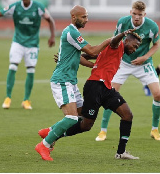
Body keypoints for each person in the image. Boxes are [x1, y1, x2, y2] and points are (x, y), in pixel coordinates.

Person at [37, 30, 142, 161]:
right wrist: (122, 34)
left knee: (127, 115)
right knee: (86, 125)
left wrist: (65, 58)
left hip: (107, 88)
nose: (135, 49)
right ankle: (52, 135)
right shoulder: (118, 44)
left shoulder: (117, 51)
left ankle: (121, 152)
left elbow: (86, 56)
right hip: (95, 87)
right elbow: (114, 41)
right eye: (134, 45)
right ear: (126, 41)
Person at [34, 5, 115, 161]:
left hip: (70, 81)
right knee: (71, 118)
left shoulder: (73, 33)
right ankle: (44, 145)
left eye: (87, 16)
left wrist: (94, 66)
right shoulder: (71, 32)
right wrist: (109, 41)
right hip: (61, 80)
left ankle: (51, 131)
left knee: (81, 117)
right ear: (74, 17)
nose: (87, 19)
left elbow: (77, 57)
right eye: (84, 17)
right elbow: (92, 51)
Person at [95, 1, 160, 141]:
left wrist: (144, 57)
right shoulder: (122, 23)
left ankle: (155, 130)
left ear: (144, 14)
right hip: (123, 62)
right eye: (134, 14)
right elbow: (114, 41)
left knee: (157, 94)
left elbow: (156, 44)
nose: (137, 17)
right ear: (130, 12)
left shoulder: (152, 26)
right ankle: (102, 131)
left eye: (140, 14)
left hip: (143, 63)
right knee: (110, 93)